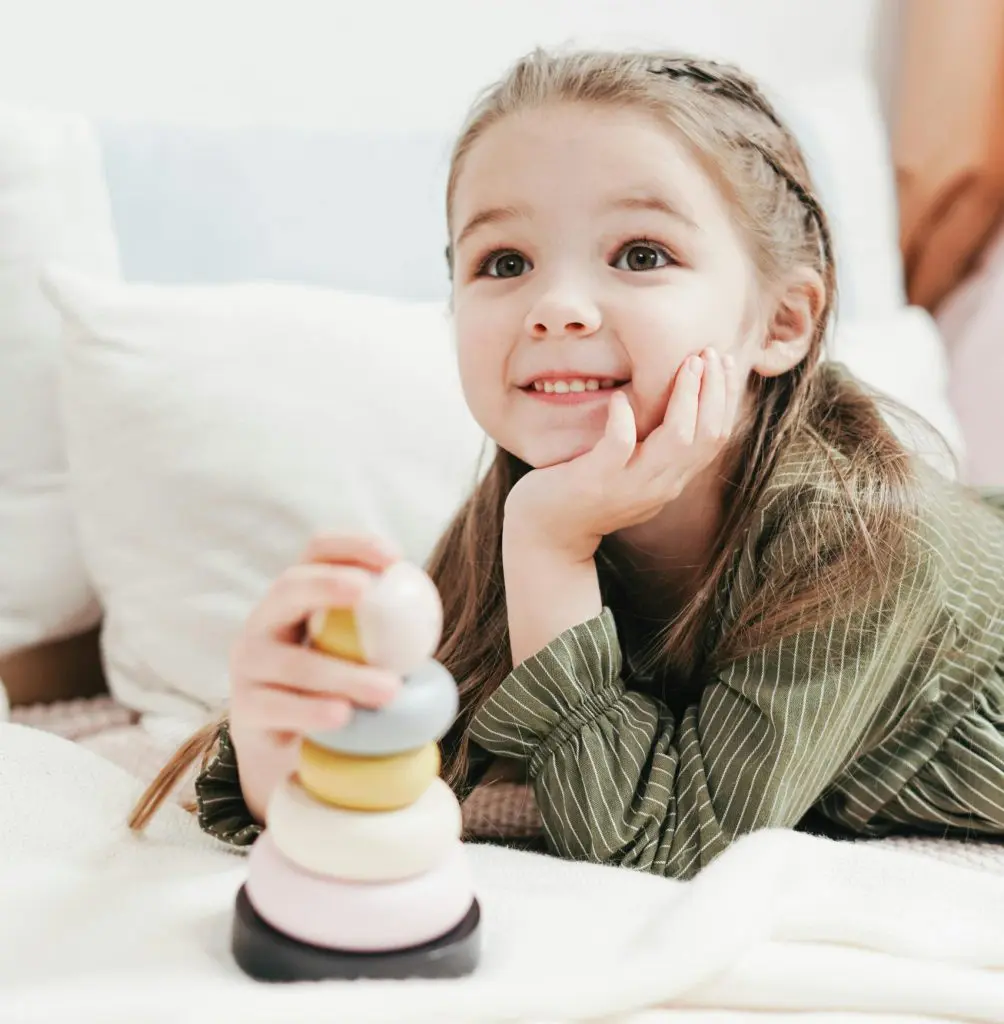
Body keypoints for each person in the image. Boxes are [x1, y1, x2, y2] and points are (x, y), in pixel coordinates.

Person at [129, 49, 1004, 881]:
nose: (555, 307)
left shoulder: (857, 538)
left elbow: (660, 847)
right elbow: (427, 753)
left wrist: (552, 552)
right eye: (504, 262)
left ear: (780, 322)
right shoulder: (540, 497)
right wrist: (287, 750)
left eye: (641, 255)